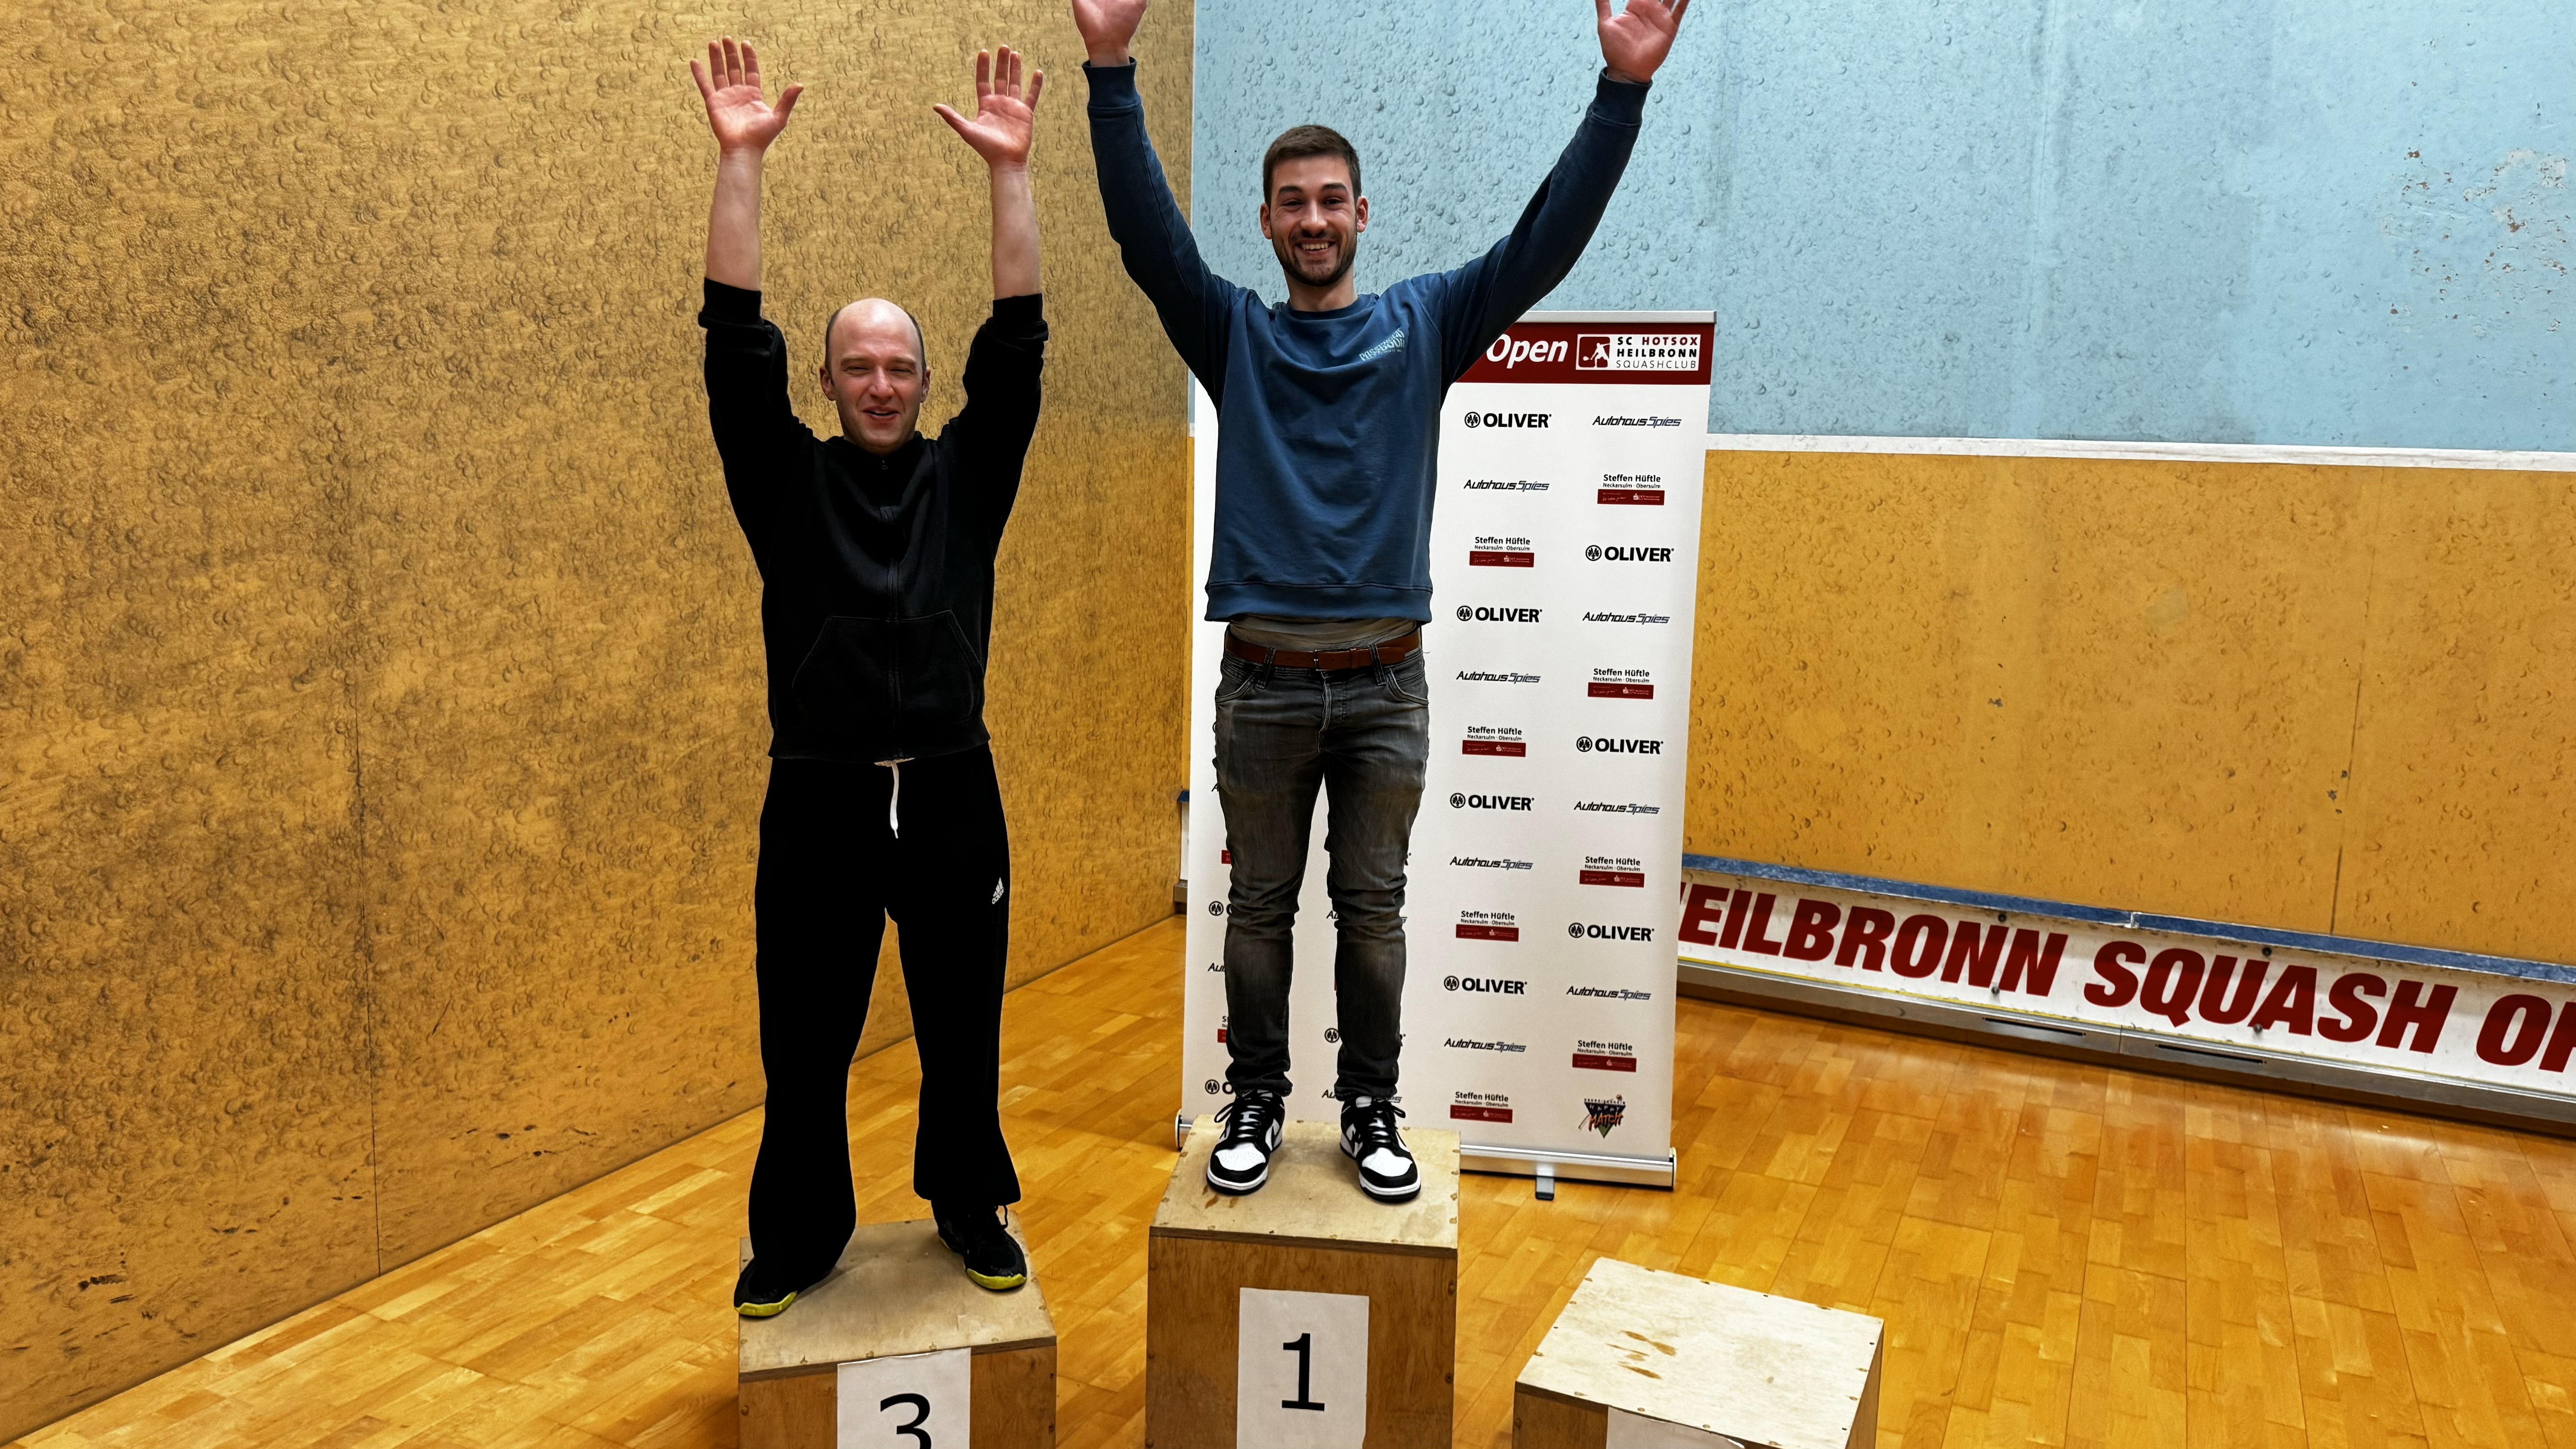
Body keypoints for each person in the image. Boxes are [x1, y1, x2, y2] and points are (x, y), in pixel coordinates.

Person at [1071, 0, 1691, 1201]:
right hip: (1262, 687)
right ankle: (1257, 1099)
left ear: (1363, 214)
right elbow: (1148, 242)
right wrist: (1112, 72)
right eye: (1290, 203)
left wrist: (1621, 94)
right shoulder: (1234, 334)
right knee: (1259, 908)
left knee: (1372, 910)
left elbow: (1544, 244)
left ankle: (1369, 1106)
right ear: (1267, 223)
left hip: (1385, 691)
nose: (1312, 219)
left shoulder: (1425, 323)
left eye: (1330, 200)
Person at [688, 35, 1050, 1315]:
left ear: (925, 381)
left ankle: (968, 1202)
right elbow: (732, 341)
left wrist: (1010, 176)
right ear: (829, 381)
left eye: (900, 366)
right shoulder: (784, 482)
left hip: (953, 792)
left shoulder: (971, 476)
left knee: (962, 1025)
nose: (882, 384)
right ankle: (798, 1235)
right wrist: (741, 160)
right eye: (859, 366)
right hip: (820, 798)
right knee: (804, 1039)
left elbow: (1019, 340)